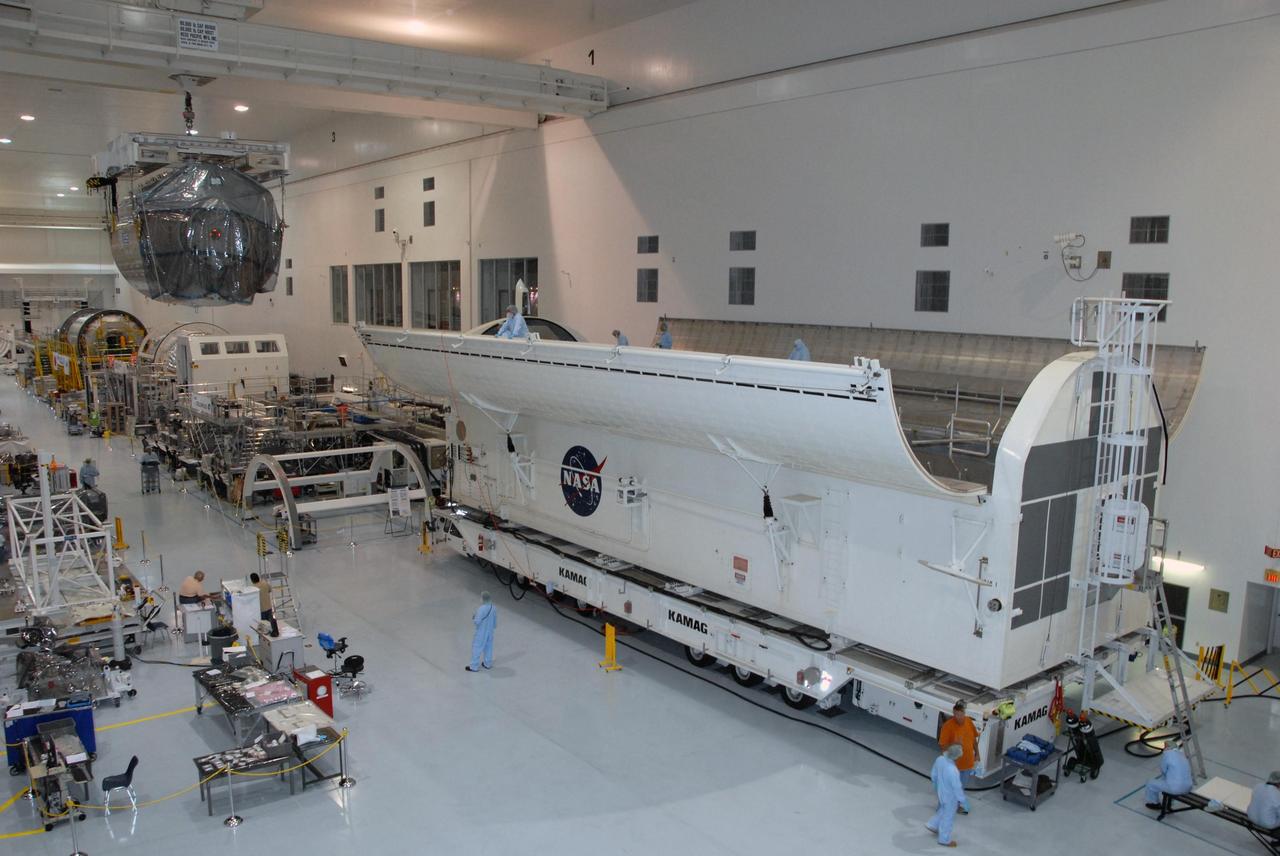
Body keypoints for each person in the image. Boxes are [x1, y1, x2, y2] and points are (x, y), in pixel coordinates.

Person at [938, 700, 980, 813]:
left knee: (961, 787)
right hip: (953, 765)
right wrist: (954, 744)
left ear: (964, 713)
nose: (959, 717)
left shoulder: (969, 722)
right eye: (956, 714)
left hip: (967, 764)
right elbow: (942, 746)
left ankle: (957, 805)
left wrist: (977, 754)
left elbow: (974, 739)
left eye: (961, 714)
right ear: (953, 713)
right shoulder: (947, 726)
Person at [927, 744, 964, 848]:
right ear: (956, 756)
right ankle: (944, 839)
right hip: (950, 797)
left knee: (943, 809)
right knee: (948, 816)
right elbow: (957, 787)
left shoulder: (940, 759)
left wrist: (936, 785)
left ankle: (933, 824)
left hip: (940, 792)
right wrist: (962, 800)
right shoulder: (953, 770)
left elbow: (933, 774)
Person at [1144, 741, 1193, 809]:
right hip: (1188, 787)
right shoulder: (1182, 755)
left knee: (1150, 783)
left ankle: (1154, 803)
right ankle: (1169, 803)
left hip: (1176, 788)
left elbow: (1163, 770)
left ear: (1167, 748)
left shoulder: (1168, 754)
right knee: (1170, 782)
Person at [465, 591, 497, 672]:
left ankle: (474, 666)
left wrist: (474, 618)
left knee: (477, 648)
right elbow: (495, 623)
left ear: (483, 599)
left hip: (481, 632)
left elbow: (477, 621)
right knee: (488, 648)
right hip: (490, 632)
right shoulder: (493, 608)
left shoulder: (481, 609)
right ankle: (487, 664)